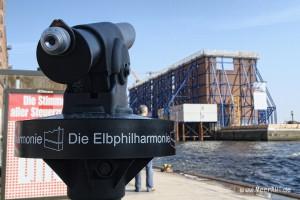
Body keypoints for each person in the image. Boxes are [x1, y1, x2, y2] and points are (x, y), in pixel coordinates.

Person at [135, 105, 155, 192]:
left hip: (137, 148)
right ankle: (149, 187)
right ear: (146, 112)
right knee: (149, 167)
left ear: (138, 112)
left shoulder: (134, 121)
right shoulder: (151, 122)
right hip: (148, 148)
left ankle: (138, 187)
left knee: (136, 168)